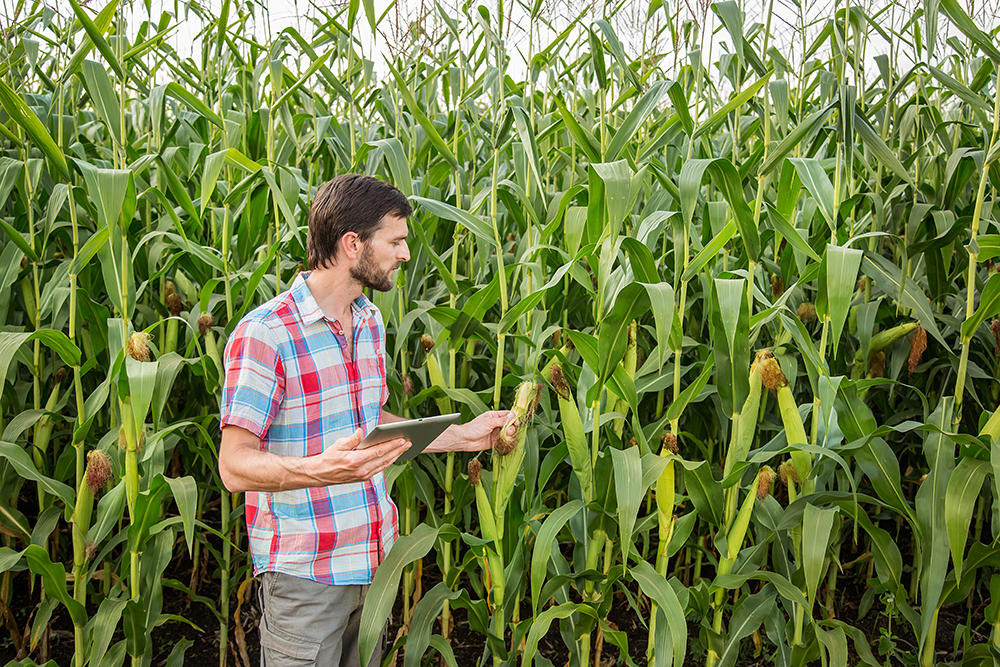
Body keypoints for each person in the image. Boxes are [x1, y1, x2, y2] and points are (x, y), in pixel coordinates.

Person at [217, 174, 514, 667]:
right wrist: (321, 470)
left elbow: (366, 420)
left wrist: (463, 436)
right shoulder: (266, 334)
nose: (404, 254)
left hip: (372, 566)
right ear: (352, 244)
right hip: (305, 578)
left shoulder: (369, 321)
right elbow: (234, 465)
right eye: (395, 241)